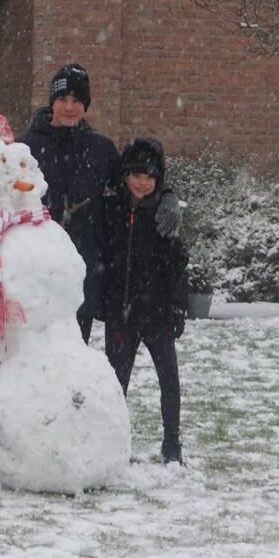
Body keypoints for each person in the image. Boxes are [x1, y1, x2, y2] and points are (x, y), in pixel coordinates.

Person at [17, 63, 180, 343]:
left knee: (75, 350)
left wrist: (166, 196)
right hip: (36, 270)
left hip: (83, 269)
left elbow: (133, 186)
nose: (70, 107)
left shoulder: (100, 149)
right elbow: (1, 192)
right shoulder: (25, 148)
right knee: (34, 354)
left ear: (86, 105)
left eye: (78, 100)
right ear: (51, 102)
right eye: (63, 99)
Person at [95, 137, 188, 465]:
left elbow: (177, 263)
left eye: (149, 176)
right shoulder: (111, 208)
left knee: (169, 378)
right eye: (136, 174)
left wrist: (177, 306)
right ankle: (112, 442)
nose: (142, 182)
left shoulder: (164, 213)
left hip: (157, 312)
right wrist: (101, 299)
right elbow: (100, 257)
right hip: (122, 313)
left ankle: (172, 441)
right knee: (115, 383)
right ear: (124, 175)